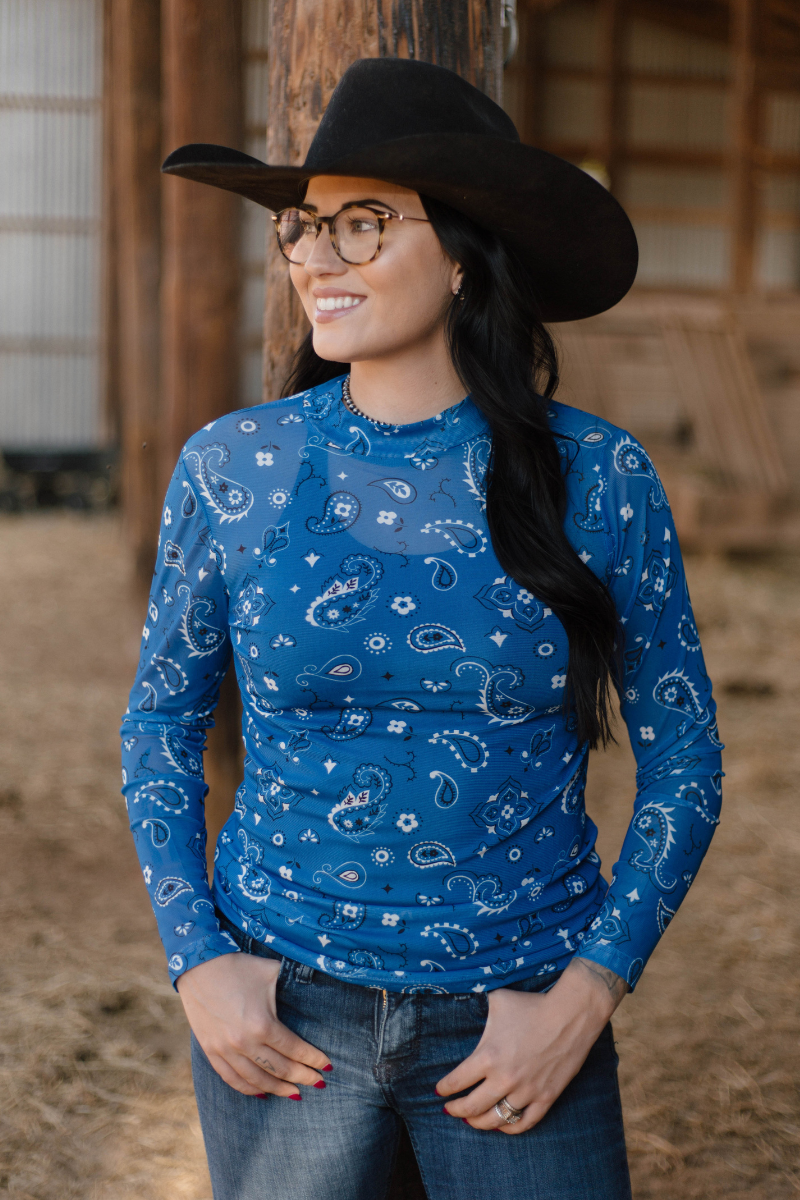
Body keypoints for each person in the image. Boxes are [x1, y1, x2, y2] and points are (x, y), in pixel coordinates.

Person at [121, 58, 723, 1200]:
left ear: (459, 255)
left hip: (516, 1023)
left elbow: (684, 759)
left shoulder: (596, 477)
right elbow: (157, 722)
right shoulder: (233, 468)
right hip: (282, 1016)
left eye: (363, 225)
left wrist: (586, 994)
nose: (313, 258)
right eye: (304, 227)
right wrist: (200, 960)